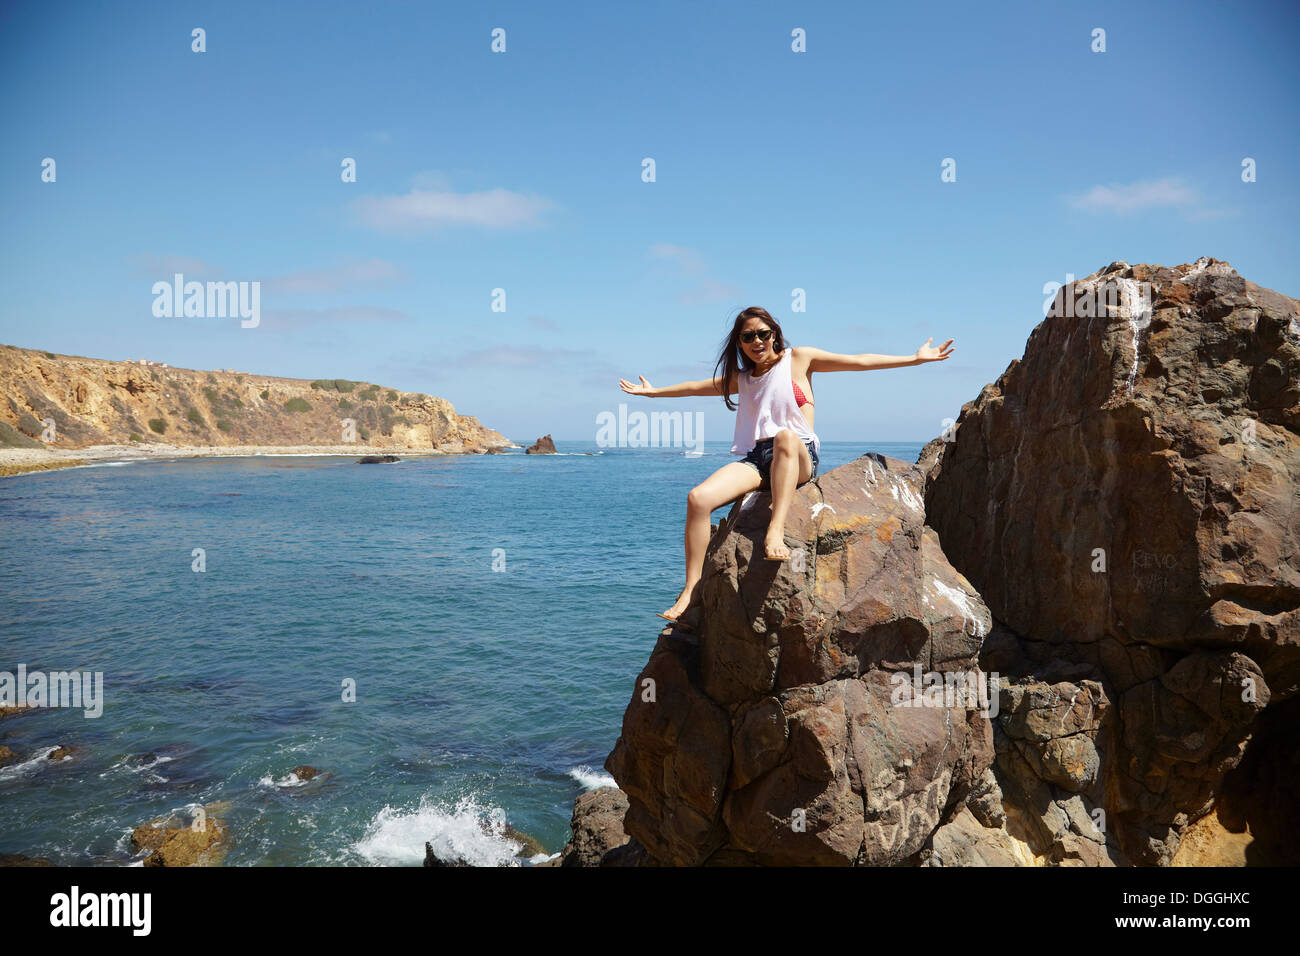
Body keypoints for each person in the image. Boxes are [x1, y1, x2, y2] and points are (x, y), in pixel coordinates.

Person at [619, 306, 954, 625]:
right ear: (739, 344)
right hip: (759, 459)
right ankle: (691, 589)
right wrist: (653, 393)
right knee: (698, 499)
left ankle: (775, 529)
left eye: (762, 334)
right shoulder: (744, 378)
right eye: (747, 338)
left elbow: (858, 361)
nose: (756, 342)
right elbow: (695, 388)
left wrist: (914, 358)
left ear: (774, 334)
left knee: (784, 436)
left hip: (798, 453)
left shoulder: (799, 359)